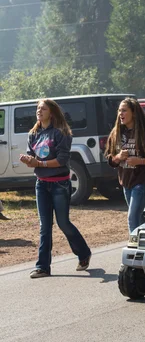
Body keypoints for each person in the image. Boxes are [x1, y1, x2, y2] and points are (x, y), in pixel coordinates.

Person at [19, 99, 91, 279]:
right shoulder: (33, 133)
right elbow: (32, 155)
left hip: (59, 184)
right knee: (45, 226)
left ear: (51, 112)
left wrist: (39, 162)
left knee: (63, 222)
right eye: (37, 108)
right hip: (41, 184)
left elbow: (61, 160)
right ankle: (43, 267)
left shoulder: (61, 133)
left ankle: (83, 253)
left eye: (43, 108)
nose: (39, 111)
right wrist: (29, 160)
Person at [105, 97, 145, 235]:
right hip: (126, 182)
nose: (121, 114)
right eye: (119, 111)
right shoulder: (116, 133)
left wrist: (140, 161)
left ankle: (134, 250)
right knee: (138, 218)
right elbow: (110, 159)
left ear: (134, 113)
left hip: (142, 182)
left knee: (132, 218)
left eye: (124, 110)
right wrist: (118, 157)